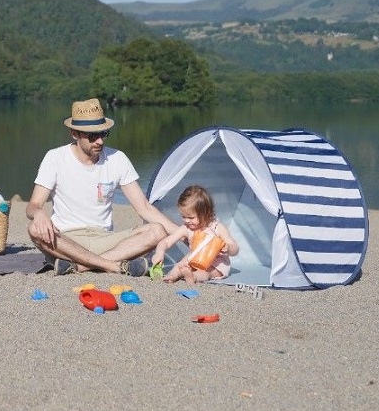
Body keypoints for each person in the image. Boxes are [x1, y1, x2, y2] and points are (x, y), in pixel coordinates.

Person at [26, 98, 179, 276]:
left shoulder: (118, 159)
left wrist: (185, 234)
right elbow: (32, 206)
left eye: (103, 134)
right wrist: (39, 214)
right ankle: (113, 266)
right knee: (34, 229)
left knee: (157, 230)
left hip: (105, 239)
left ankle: (82, 267)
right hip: (66, 240)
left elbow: (144, 208)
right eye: (92, 136)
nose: (99, 141)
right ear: (74, 134)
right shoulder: (55, 158)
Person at [151, 184, 239, 284]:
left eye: (191, 218)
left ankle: (194, 277)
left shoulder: (217, 227)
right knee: (181, 264)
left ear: (207, 213)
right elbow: (166, 242)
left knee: (206, 272)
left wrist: (228, 248)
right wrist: (159, 253)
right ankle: (172, 276)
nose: (187, 221)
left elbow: (235, 248)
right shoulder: (186, 228)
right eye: (183, 216)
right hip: (194, 258)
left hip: (216, 263)